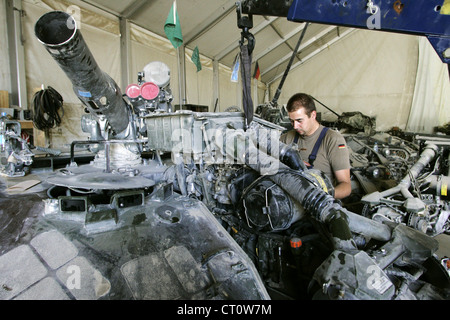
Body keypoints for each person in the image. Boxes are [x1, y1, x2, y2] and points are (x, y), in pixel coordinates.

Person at [280, 93, 351, 199]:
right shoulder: (286, 138)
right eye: (292, 121)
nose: (295, 126)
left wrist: (321, 197)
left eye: (299, 120)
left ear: (313, 115)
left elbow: (345, 186)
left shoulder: (332, 140)